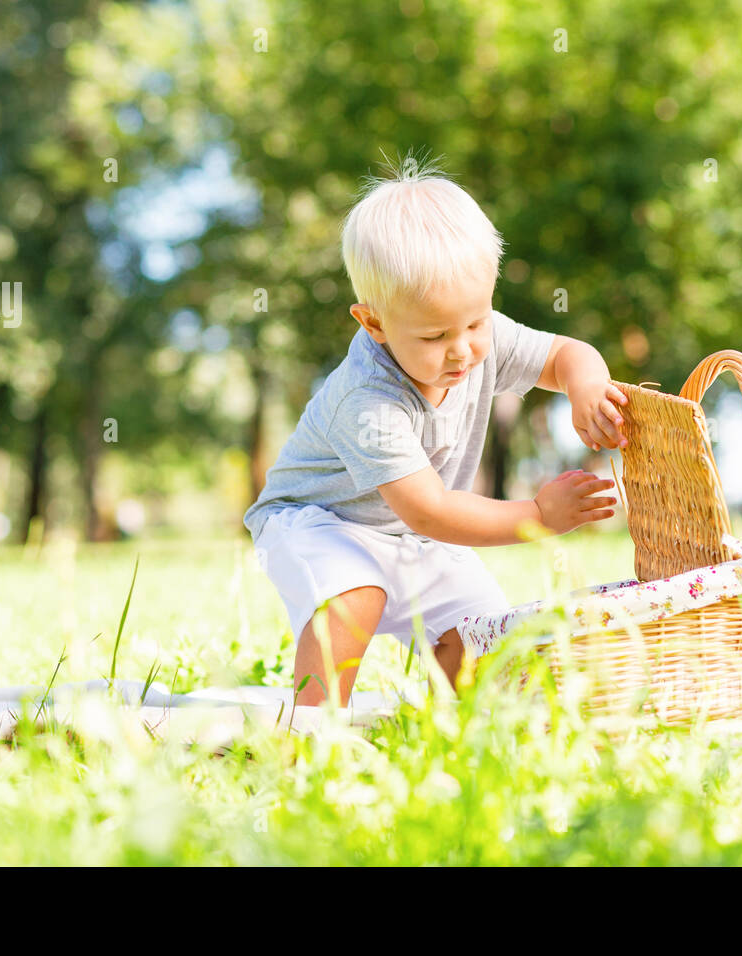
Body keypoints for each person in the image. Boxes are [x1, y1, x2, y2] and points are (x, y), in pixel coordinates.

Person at [243, 154, 628, 707]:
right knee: (354, 597)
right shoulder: (368, 399)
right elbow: (427, 508)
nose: (465, 348)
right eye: (434, 336)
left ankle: (445, 729)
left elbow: (566, 353)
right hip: (319, 523)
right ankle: (310, 734)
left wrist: (586, 385)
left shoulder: (481, 338)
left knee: (483, 632)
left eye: (475, 321)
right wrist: (538, 517)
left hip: (412, 534)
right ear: (372, 322)